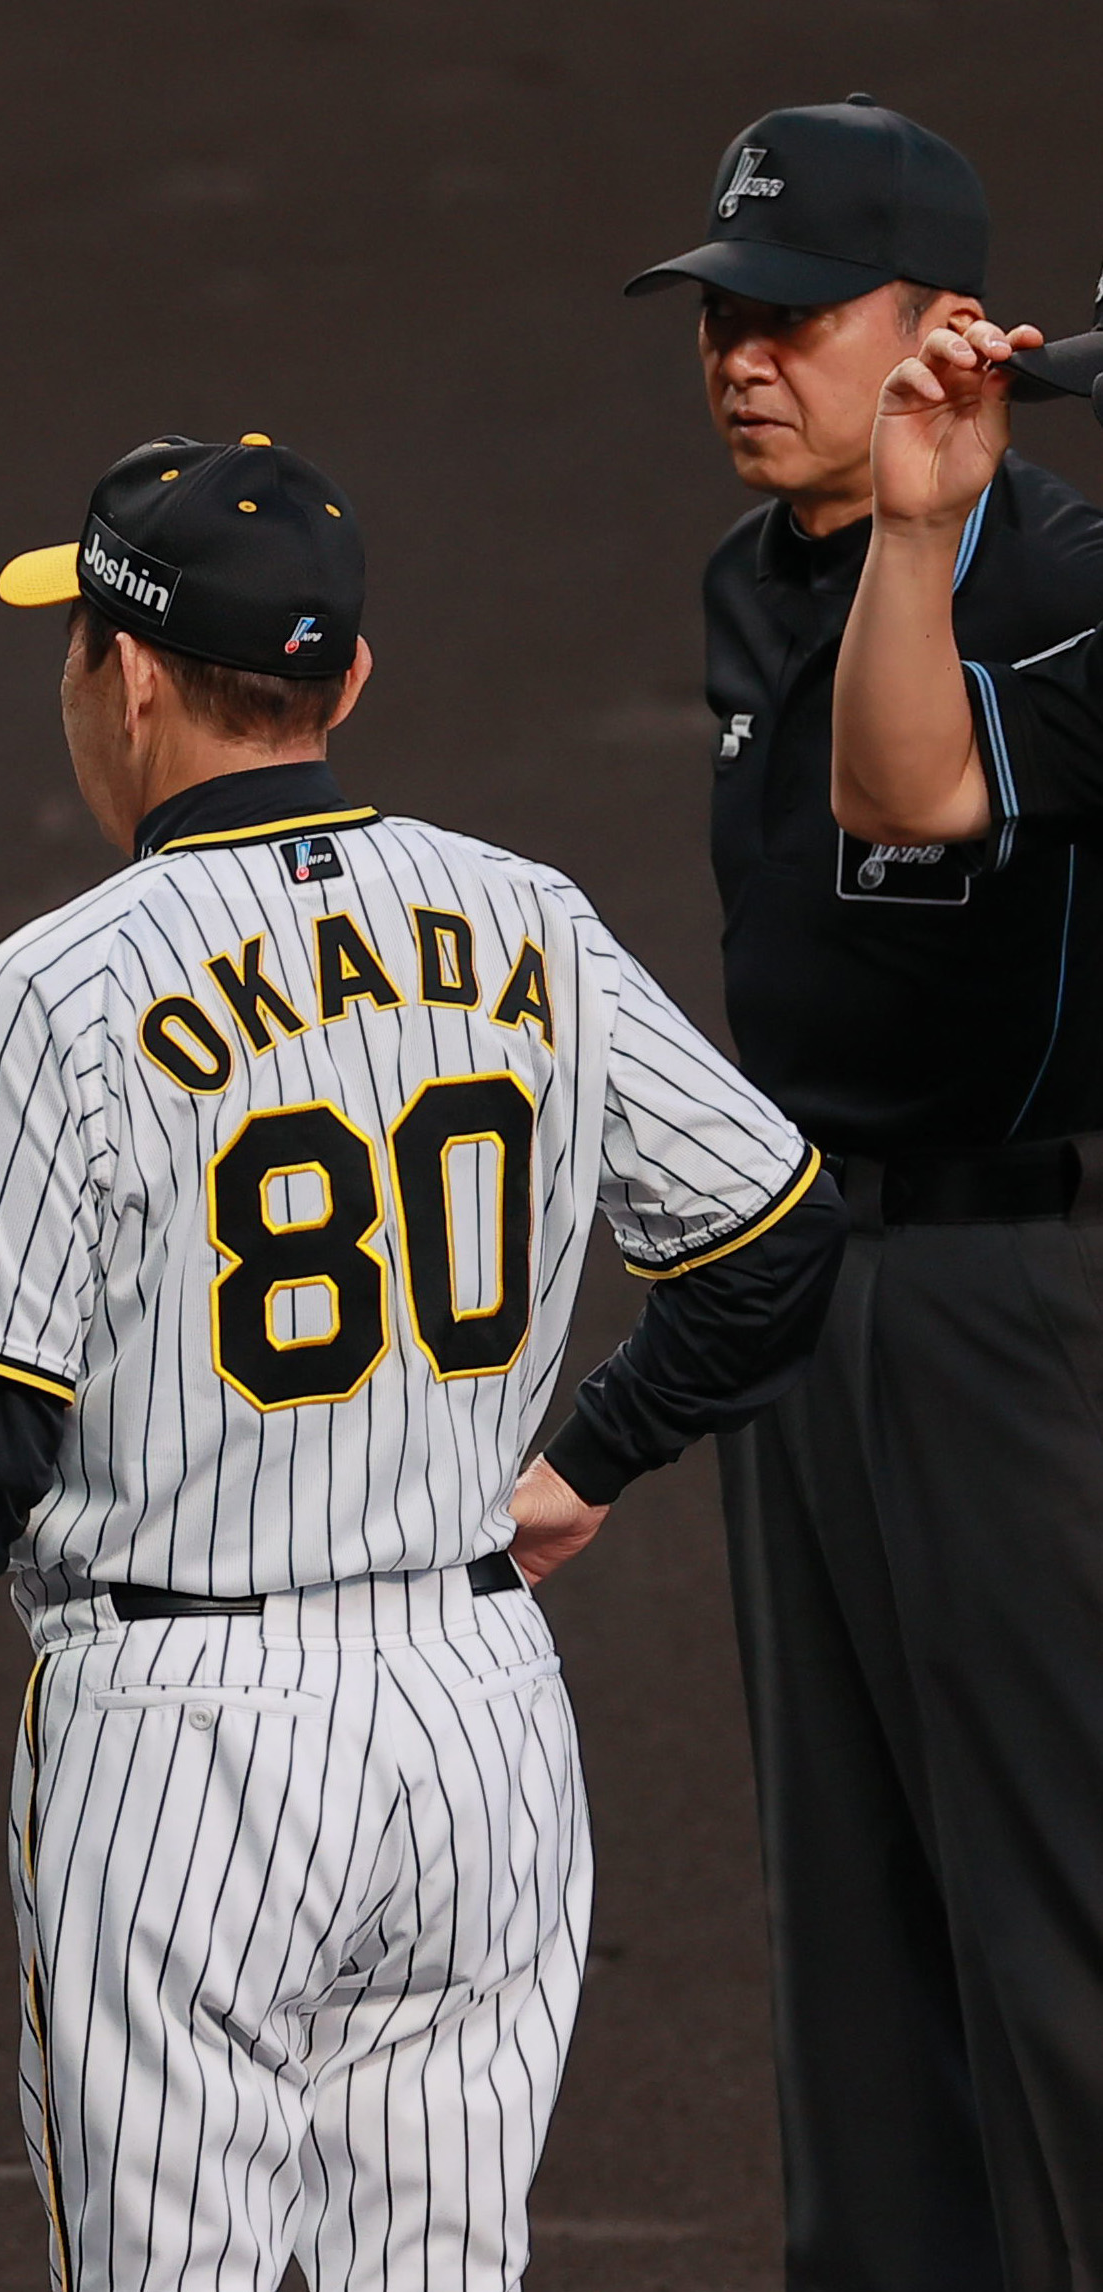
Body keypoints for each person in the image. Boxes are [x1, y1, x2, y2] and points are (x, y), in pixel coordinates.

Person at [0, 434, 846, 2291]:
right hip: (482, 1707)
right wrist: (588, 1462)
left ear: (128, 675)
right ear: (348, 682)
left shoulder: (57, 987)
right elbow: (774, 1236)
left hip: (188, 1746)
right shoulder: (525, 913)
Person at [627, 99, 1103, 2288]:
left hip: (1030, 1304)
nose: (742, 356)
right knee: (853, 1927)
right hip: (816, 1294)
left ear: (943, 332)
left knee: (1057, 1912)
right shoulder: (756, 582)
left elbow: (915, 809)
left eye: (796, 319)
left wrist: (931, 529)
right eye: (725, 316)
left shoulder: (1067, 583)